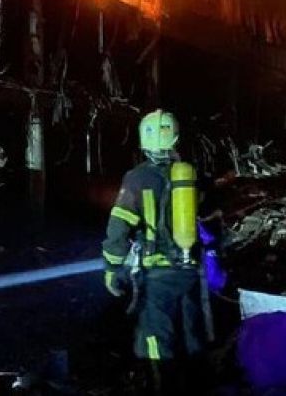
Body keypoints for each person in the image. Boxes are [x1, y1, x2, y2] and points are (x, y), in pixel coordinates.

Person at [101, 109, 211, 394]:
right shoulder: (190, 175)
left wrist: (112, 269)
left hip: (157, 276)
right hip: (190, 272)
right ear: (175, 137)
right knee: (191, 337)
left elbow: (118, 228)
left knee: (156, 342)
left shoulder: (136, 178)